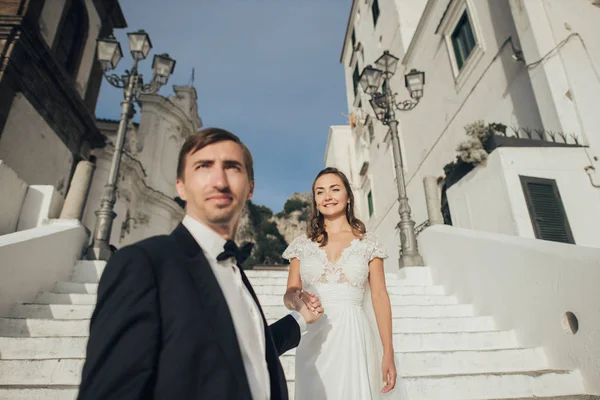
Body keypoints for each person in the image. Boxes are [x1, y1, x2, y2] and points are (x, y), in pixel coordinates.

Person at [78, 128, 324, 400]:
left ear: (250, 188)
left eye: (232, 167)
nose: (219, 180)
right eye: (203, 167)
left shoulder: (235, 273)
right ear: (180, 185)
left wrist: (300, 319)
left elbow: (249, 353)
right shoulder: (143, 264)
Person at [282, 167, 406, 399]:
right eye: (320, 192)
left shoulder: (369, 243)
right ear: (315, 201)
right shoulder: (301, 245)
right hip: (313, 337)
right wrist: (297, 300)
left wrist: (387, 351)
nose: (327, 196)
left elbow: (379, 297)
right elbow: (290, 293)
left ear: (348, 196)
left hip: (354, 335)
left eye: (334, 189)